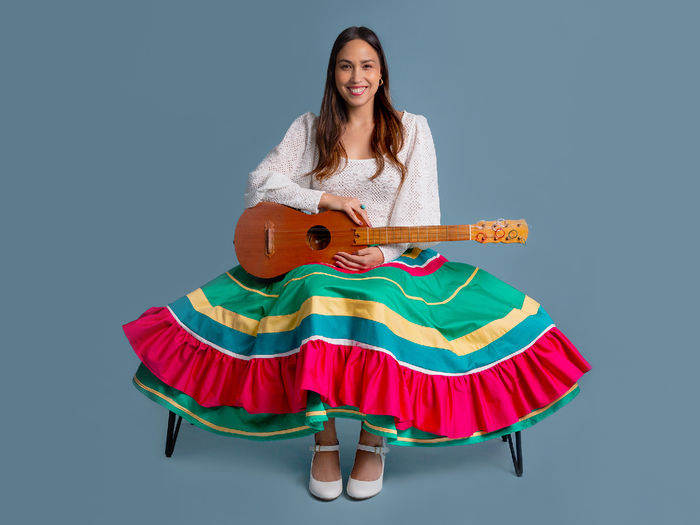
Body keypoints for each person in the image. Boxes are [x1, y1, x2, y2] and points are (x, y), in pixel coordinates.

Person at [123, 26, 591, 501]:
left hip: (392, 262)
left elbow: (421, 216)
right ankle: (322, 439)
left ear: (382, 73)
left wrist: (381, 254)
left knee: (382, 302)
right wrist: (325, 196)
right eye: (346, 66)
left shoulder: (412, 130)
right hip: (314, 261)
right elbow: (259, 185)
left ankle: (373, 440)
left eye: (366, 65)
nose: (356, 77)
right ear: (334, 74)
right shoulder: (309, 128)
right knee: (311, 293)